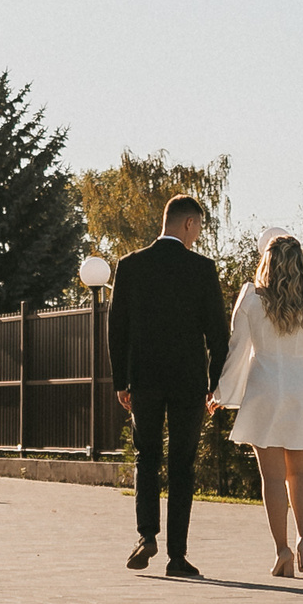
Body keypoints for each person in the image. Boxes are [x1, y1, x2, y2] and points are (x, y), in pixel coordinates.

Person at [107, 193, 230, 577]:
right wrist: (214, 383)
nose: (197, 237)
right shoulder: (202, 269)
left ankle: (146, 536)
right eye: (198, 229)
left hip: (143, 379)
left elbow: (117, 328)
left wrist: (120, 381)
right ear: (189, 224)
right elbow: (218, 334)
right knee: (181, 465)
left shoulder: (130, 266)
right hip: (188, 382)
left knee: (147, 458)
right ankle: (177, 557)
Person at [208, 232, 303, 577]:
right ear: (300, 266)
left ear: (267, 262)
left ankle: (281, 550)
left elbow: (237, 350)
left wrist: (221, 393)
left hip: (264, 388)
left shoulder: (251, 299)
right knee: (300, 473)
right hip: (300, 388)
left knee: (272, 477)